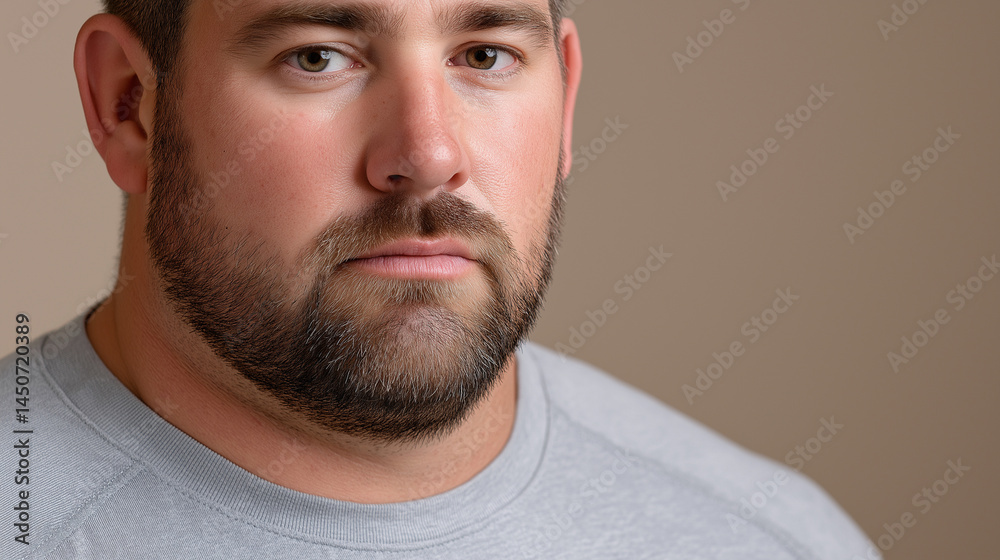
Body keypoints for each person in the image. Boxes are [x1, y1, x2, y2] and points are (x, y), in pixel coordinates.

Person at [1, 0, 878, 558]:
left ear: (565, 105)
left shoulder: (769, 536)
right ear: (128, 104)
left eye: (486, 54)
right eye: (318, 56)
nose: (428, 156)